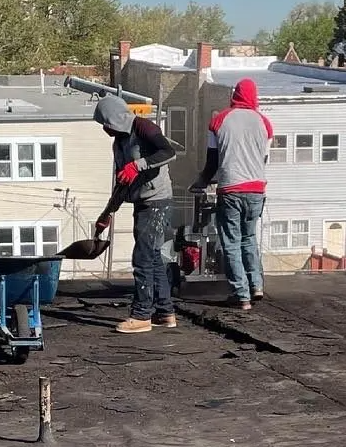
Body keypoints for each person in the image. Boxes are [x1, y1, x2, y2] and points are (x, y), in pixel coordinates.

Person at [92, 95, 178, 334]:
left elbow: (169, 152)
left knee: (141, 259)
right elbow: (122, 181)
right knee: (151, 257)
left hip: (157, 201)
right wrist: (107, 213)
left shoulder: (143, 128)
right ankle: (165, 312)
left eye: (105, 123)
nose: (105, 129)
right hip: (142, 202)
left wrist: (137, 164)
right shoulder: (119, 142)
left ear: (115, 119)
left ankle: (141, 315)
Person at [192, 77, 274, 311]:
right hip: (257, 190)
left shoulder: (219, 120)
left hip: (231, 190)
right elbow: (262, 159)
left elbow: (212, 161)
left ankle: (241, 295)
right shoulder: (264, 123)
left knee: (231, 242)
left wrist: (201, 181)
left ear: (234, 95)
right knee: (249, 238)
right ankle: (256, 285)